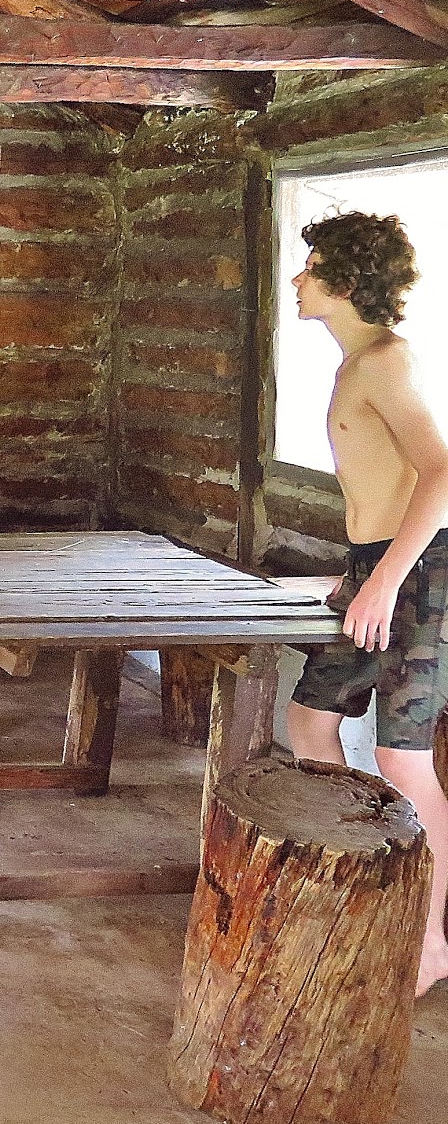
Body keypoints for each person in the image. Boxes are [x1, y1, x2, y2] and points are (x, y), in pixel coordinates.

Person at [284, 211, 448, 997]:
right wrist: (360, 572)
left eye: (310, 267)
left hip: (422, 574)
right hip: (377, 567)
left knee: (400, 756)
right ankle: (361, 876)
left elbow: (442, 472)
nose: (298, 279)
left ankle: (427, 945)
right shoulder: (356, 365)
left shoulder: (385, 359)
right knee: (310, 723)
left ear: (346, 282)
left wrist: (386, 580)